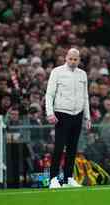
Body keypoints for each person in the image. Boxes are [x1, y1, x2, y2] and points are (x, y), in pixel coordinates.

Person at [45, 48, 91, 189]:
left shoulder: (82, 74)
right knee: (59, 147)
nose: (73, 61)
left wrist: (87, 117)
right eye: (70, 59)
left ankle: (68, 178)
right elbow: (49, 94)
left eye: (75, 59)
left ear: (79, 60)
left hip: (77, 114)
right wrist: (50, 113)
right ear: (66, 58)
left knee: (72, 149)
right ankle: (53, 178)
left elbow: (85, 97)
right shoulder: (57, 72)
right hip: (61, 113)